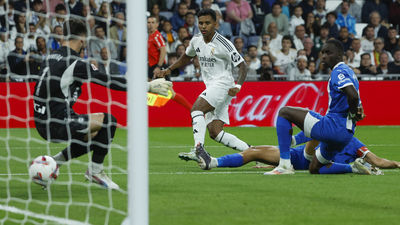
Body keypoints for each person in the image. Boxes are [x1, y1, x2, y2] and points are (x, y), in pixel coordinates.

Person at [158, 9, 250, 161]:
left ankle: (198, 149)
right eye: (200, 23)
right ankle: (254, 152)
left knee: (196, 109)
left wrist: (238, 86)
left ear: (215, 23)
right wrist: (168, 69)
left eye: (207, 23)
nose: (203, 26)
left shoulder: (224, 43)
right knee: (215, 132)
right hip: (212, 86)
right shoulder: (196, 40)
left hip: (223, 84)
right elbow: (186, 57)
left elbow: (243, 66)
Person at [265, 39, 364, 175]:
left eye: (328, 52)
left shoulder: (338, 71)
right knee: (314, 168)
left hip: (333, 127)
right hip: (346, 134)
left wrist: (353, 113)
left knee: (284, 112)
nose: (323, 56)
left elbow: (352, 96)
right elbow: (357, 102)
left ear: (340, 55)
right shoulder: (350, 72)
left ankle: (284, 165)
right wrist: (355, 114)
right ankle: (354, 168)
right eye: (322, 52)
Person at [196, 136, 400, 174]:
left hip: (302, 159)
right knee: (254, 152)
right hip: (298, 157)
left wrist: (396, 164)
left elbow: (377, 161)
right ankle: (213, 162)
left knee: (253, 152)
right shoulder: (350, 140)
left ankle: (213, 163)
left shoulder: (355, 143)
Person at [147, 16, 167, 80]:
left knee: (163, 86)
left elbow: (163, 50)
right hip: (151, 65)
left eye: (153, 22)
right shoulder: (149, 36)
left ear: (157, 24)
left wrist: (158, 67)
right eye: (149, 22)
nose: (150, 25)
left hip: (157, 65)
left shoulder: (157, 36)